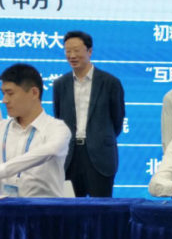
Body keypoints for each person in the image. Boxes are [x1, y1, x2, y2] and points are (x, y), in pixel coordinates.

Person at [53, 30, 125, 198]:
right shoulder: (60, 84)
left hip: (100, 155)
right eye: (68, 51)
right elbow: (59, 118)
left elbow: (117, 120)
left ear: (90, 51)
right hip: (70, 156)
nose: (72, 55)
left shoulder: (110, 82)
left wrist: (99, 137)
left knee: (101, 208)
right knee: (70, 208)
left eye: (77, 50)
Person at [0, 63, 71, 197]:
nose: (4, 100)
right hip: (4, 207)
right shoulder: (2, 128)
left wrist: (3, 170)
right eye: (3, 94)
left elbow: (50, 150)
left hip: (45, 208)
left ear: (34, 93)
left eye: (10, 93)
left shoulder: (57, 129)